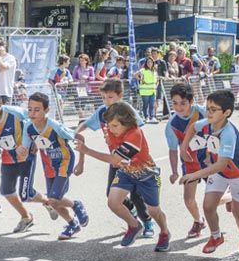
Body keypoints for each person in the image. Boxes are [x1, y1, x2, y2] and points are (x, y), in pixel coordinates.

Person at [74, 102, 169, 250]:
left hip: (146, 174)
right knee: (113, 202)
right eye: (109, 125)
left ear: (128, 123)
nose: (111, 129)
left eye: (115, 126)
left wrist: (86, 150)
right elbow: (115, 155)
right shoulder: (113, 129)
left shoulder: (135, 134)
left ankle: (164, 232)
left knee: (153, 210)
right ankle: (134, 225)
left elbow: (114, 160)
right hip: (126, 172)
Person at [74, 78, 154, 237]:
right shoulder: (102, 112)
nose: (106, 101)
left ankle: (147, 222)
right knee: (111, 194)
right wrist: (76, 132)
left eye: (110, 97)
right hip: (116, 161)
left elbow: (137, 130)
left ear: (120, 96)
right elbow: (87, 123)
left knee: (137, 195)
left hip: (134, 161)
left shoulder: (126, 111)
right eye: (103, 97)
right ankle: (131, 214)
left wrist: (118, 138)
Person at [179, 89, 239, 256]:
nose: (209, 112)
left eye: (214, 109)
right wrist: (184, 147)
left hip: (238, 173)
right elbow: (192, 127)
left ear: (226, 112)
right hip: (219, 172)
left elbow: (221, 164)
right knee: (208, 205)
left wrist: (194, 175)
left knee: (238, 210)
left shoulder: (228, 133)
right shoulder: (208, 122)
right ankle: (216, 236)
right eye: (207, 108)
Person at [25, 92, 89, 240]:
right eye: (29, 109)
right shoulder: (29, 128)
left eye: (37, 109)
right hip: (50, 167)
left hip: (64, 162)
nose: (32, 113)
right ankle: (72, 224)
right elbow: (32, 143)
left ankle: (76, 205)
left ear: (46, 110)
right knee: (54, 202)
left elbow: (80, 137)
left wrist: (81, 162)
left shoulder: (55, 126)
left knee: (53, 199)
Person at [0, 86, 37, 233]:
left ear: (0, 103)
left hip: (26, 156)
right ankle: (26, 217)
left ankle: (48, 201)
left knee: (26, 194)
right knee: (6, 191)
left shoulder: (15, 112)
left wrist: (35, 141)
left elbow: (35, 120)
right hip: (7, 158)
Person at [165, 83, 208, 237]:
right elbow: (172, 150)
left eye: (183, 103)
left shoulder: (204, 113)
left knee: (213, 199)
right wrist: (174, 172)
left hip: (211, 161)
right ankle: (198, 221)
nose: (179, 107)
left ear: (191, 101)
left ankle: (230, 196)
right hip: (190, 163)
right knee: (188, 199)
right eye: (175, 103)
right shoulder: (171, 124)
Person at [136, 57, 159, 123]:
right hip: (145, 91)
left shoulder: (154, 71)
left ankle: (152, 117)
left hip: (153, 90)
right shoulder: (143, 70)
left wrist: (156, 85)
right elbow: (135, 74)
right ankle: (146, 117)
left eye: (151, 62)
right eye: (148, 62)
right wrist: (140, 79)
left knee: (152, 104)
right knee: (145, 104)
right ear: (146, 63)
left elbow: (156, 79)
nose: (150, 63)